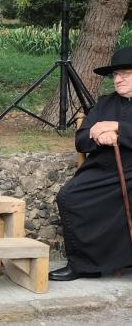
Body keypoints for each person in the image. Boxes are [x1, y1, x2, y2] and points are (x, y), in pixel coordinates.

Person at [50, 47, 132, 281]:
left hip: (131, 171)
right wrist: (97, 135)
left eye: (124, 73)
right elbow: (81, 140)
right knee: (69, 196)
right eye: (115, 75)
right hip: (102, 171)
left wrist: (117, 128)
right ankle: (83, 264)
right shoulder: (105, 103)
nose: (118, 79)